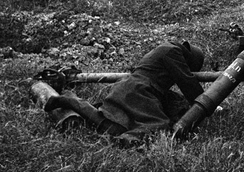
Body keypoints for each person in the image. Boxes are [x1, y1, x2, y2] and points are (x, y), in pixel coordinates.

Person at [44, 40, 205, 145]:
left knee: (110, 123)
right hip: (140, 91)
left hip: (128, 87)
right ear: (188, 58)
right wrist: (204, 101)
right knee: (158, 125)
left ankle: (69, 100)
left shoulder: (164, 48)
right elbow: (187, 81)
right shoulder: (173, 53)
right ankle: (126, 140)